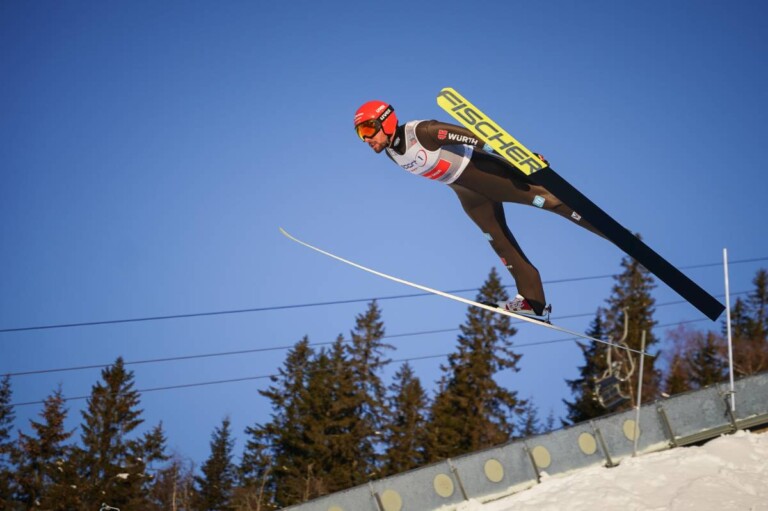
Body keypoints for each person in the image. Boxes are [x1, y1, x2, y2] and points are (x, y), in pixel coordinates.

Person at [353, 100, 606, 319]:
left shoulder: (423, 132)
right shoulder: (391, 154)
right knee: (499, 241)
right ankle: (533, 302)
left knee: (553, 201)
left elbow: (477, 137)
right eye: (359, 134)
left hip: (487, 174)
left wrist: (522, 157)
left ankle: (611, 232)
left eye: (367, 129)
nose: (366, 139)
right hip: (467, 194)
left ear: (386, 121)